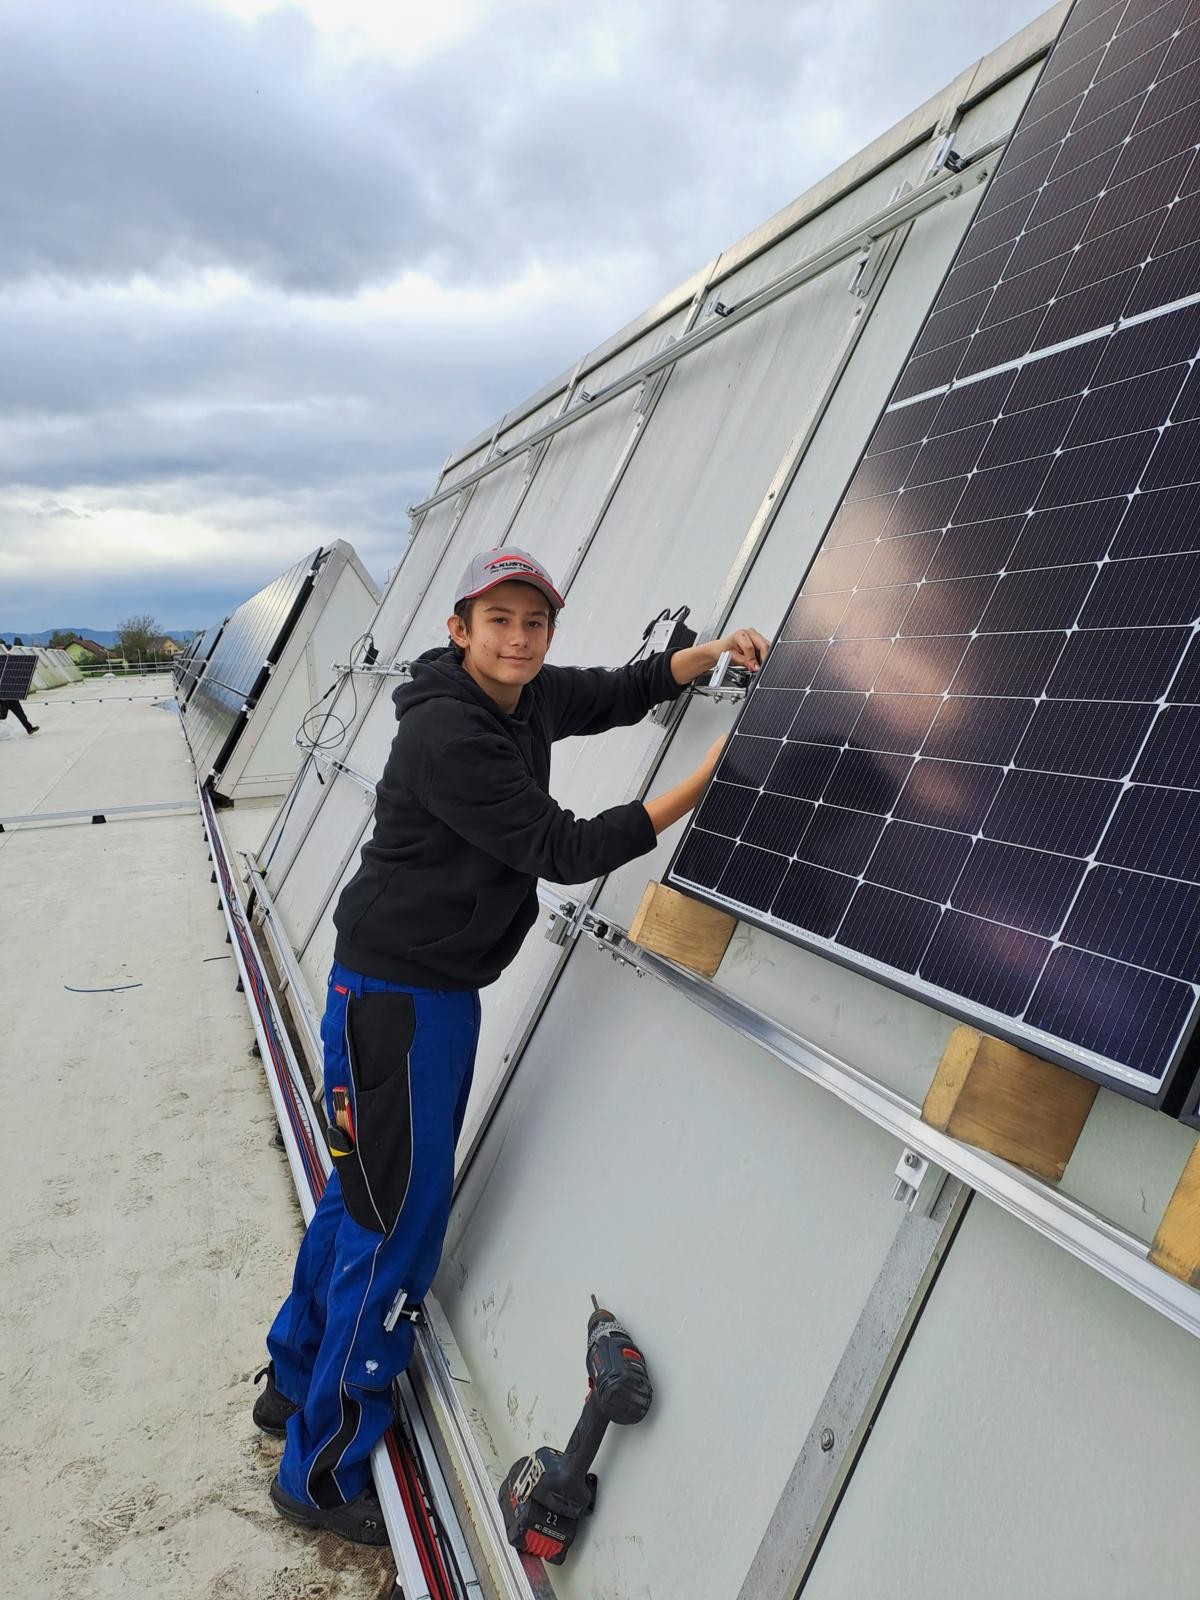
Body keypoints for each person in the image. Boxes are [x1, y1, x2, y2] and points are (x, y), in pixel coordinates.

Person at [255, 546, 768, 1543]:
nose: (519, 638)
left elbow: (616, 690)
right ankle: (318, 1474)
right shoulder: (451, 733)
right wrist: (712, 780)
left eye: (534, 623)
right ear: (461, 629)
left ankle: (292, 1378)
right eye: (499, 621)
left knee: (357, 1196)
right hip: (400, 1001)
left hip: (413, 992)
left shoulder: (516, 696)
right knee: (395, 1224)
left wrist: (705, 658)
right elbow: (567, 849)